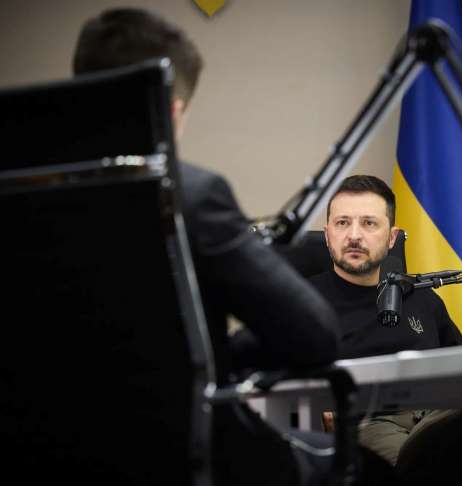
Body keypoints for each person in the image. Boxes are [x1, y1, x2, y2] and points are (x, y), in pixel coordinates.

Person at [73, 8, 342, 485]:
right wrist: (225, 352)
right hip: (185, 456)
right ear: (172, 110)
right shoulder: (192, 196)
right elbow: (314, 336)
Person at [309, 175, 462, 485]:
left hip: (440, 414)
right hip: (368, 422)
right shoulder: (303, 301)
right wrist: (317, 404)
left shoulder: (422, 297)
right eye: (343, 223)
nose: (354, 235)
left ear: (391, 237)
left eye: (369, 224)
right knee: (423, 468)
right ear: (328, 234)